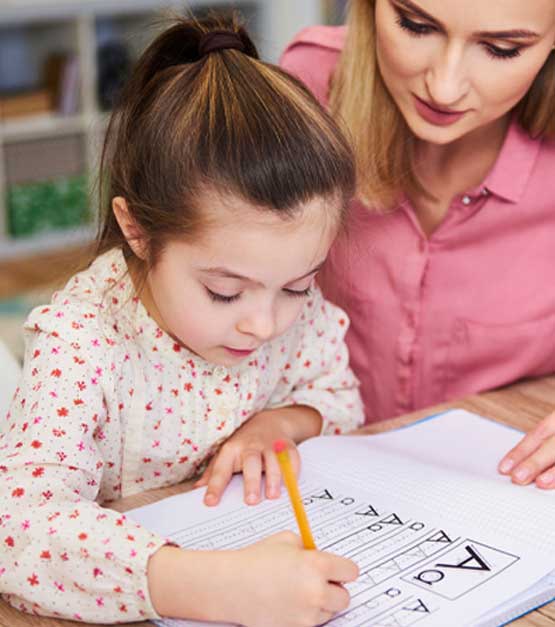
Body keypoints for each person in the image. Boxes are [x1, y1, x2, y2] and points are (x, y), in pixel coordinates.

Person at [0, 16, 364, 625]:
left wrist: (283, 421)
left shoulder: (285, 310)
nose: (266, 325)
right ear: (137, 229)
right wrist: (211, 587)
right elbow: (16, 524)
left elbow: (341, 399)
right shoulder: (84, 341)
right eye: (225, 292)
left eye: (299, 285)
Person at [280, 0, 555, 489]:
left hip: (503, 488)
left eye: (501, 48)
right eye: (415, 25)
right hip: (315, 471)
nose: (444, 87)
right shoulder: (307, 88)